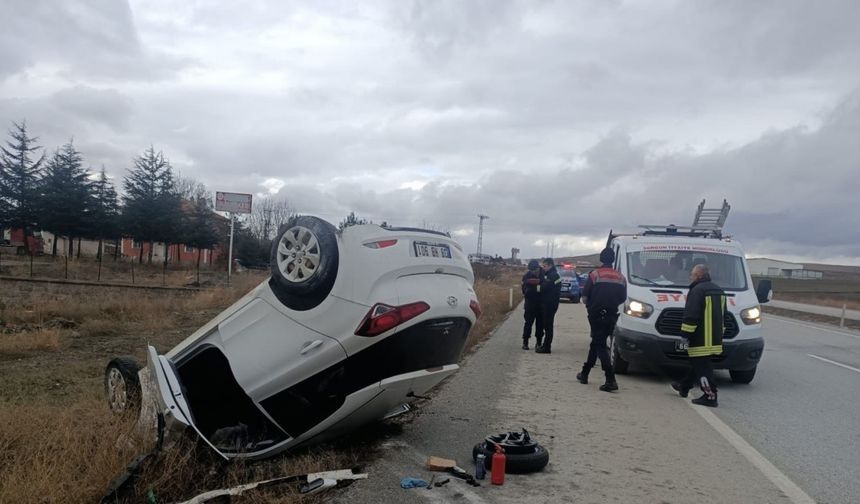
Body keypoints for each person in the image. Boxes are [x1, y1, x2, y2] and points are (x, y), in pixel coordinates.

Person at [671, 264, 725, 407]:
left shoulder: (697, 291)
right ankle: (684, 385)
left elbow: (691, 316)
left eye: (692, 274)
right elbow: (723, 315)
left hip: (699, 338)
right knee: (699, 364)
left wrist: (685, 335)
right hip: (714, 338)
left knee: (703, 368)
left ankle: (710, 396)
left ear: (699, 276)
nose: (690, 277)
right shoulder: (719, 290)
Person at [577, 248, 627, 392]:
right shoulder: (621, 277)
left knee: (599, 345)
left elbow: (585, 295)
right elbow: (623, 298)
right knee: (597, 342)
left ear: (601, 258)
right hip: (611, 314)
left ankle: (610, 379)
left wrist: (590, 306)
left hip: (596, 313)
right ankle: (584, 373)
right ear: (613, 259)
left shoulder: (595, 274)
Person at [535, 258, 561, 354]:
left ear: (550, 265)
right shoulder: (553, 275)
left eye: (545, 266)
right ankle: (545, 345)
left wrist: (536, 286)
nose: (543, 268)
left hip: (549, 304)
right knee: (547, 325)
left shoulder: (552, 276)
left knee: (548, 326)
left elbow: (542, 288)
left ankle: (546, 347)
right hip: (551, 303)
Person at [521, 259, 544, 350]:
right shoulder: (527, 276)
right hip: (530, 303)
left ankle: (539, 342)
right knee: (528, 323)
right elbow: (523, 289)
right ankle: (525, 342)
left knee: (540, 324)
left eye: (534, 270)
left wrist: (540, 284)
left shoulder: (544, 275)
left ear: (538, 268)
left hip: (541, 304)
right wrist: (529, 287)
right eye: (531, 270)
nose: (533, 272)